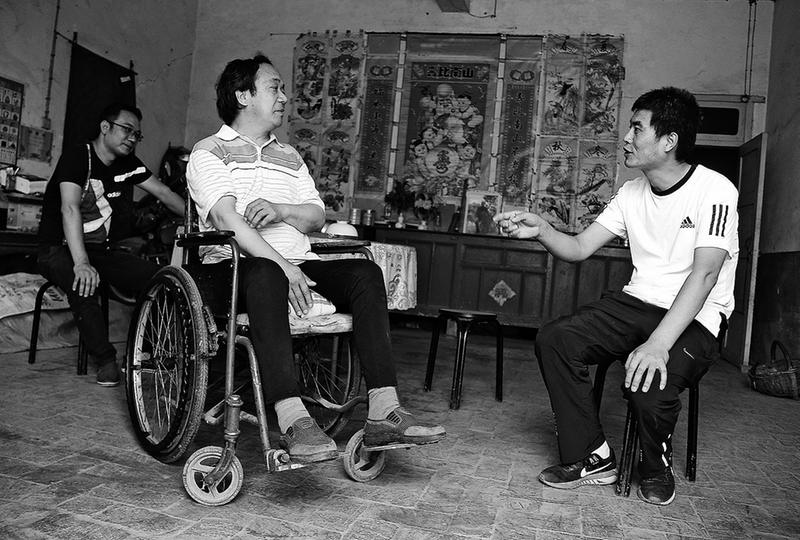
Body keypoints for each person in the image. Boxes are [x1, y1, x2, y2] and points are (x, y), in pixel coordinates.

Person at [186, 54, 445, 464]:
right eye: (274, 88)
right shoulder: (209, 151)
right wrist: (284, 267)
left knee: (365, 272)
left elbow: (316, 216)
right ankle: (293, 419)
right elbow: (225, 219)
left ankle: (383, 411)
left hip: (295, 264)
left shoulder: (290, 156)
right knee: (266, 272)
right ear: (243, 96)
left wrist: (281, 210)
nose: (284, 97)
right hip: (232, 269)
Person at [495, 87, 738, 506]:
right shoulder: (630, 193)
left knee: (649, 386)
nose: (626, 137)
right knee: (556, 339)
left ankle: (655, 464)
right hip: (637, 302)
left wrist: (658, 344)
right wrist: (543, 230)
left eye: (637, 128)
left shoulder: (715, 190)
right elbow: (578, 248)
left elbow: (705, 275)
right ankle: (591, 456)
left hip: (697, 314)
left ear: (669, 140)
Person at [37, 103, 185, 386]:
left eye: (137, 134)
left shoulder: (128, 163)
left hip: (98, 250)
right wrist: (81, 263)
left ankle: (148, 352)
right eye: (127, 129)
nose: (132, 138)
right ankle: (106, 361)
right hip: (56, 248)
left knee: (158, 278)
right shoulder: (78, 157)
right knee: (83, 283)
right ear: (105, 127)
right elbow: (70, 208)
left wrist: (201, 221)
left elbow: (164, 193)